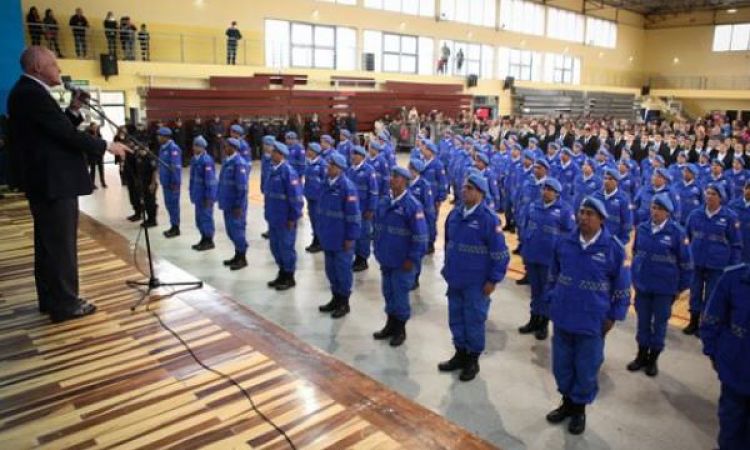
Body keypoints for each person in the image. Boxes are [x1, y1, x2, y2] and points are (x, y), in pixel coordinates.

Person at [7, 47, 129, 323]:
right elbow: (63, 134)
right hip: (53, 182)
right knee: (61, 246)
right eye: (54, 64)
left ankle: (51, 298)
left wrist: (74, 109)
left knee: (49, 245)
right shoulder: (30, 93)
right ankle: (65, 303)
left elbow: (56, 126)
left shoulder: (28, 92)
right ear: (38, 66)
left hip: (48, 182)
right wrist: (107, 145)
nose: (58, 69)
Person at [544, 196, 631, 435]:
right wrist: (551, 298)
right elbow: (553, 273)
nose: (583, 217)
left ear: (601, 219)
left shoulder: (613, 249)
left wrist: (614, 316)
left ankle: (579, 409)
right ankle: (566, 402)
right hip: (563, 315)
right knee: (562, 364)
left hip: (592, 321)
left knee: (586, 367)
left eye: (589, 214)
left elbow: (622, 288)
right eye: (581, 212)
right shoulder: (565, 242)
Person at [438, 173, 509, 382]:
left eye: (469, 188)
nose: (464, 191)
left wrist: (493, 280)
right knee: (456, 317)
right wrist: (447, 268)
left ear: (480, 192)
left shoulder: (488, 219)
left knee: (474, 320)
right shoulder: (455, 215)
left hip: (477, 283)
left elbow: (500, 254)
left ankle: (472, 359)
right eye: (463, 187)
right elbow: (448, 243)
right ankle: (460, 353)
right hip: (456, 278)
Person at [628, 194, 692, 377]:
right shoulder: (642, 228)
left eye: (659, 209)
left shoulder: (677, 233)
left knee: (660, 324)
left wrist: (680, 288)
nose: (654, 212)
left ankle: (653, 359)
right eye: (653, 208)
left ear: (667, 212)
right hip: (643, 286)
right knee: (643, 323)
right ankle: (641, 355)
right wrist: (635, 277)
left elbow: (686, 263)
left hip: (665, 289)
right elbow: (635, 253)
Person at [373, 166, 428, 346]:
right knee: (388, 292)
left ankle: (400, 329)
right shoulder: (384, 202)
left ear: (405, 181)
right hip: (386, 257)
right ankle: (390, 324)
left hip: (402, 261)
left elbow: (420, 237)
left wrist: (412, 259)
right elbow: (378, 228)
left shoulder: (412, 205)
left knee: (400, 295)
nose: (392, 179)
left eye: (396, 177)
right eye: (392, 176)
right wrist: (378, 249)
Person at [700, 262, 750, 450]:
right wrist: (714, 354)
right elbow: (712, 320)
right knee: (730, 423)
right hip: (735, 372)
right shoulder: (733, 278)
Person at [518, 178, 575, 340]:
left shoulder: (564, 210)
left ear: (557, 193)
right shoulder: (534, 206)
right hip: (532, 255)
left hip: (550, 259)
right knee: (535, 291)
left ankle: (543, 322)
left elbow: (570, 233)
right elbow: (525, 225)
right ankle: (533, 318)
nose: (546, 192)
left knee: (547, 292)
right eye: (544, 188)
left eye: (550, 190)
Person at [683, 183, 743, 335]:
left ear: (721, 198)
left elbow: (736, 244)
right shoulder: (695, 214)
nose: (709, 196)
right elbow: (686, 237)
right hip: (696, 262)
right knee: (695, 292)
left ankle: (706, 324)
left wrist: (732, 267)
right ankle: (693, 321)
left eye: (713, 194)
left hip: (718, 264)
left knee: (711, 295)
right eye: (708, 193)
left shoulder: (729, 217)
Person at [317, 152, 361, 319]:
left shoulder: (347, 188)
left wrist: (350, 237)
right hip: (328, 235)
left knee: (342, 271)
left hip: (342, 238)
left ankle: (344, 302)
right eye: (329, 164)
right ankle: (335, 298)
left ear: (339, 168)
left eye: (331, 165)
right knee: (331, 270)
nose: (328, 167)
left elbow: (353, 216)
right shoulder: (325, 184)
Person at [264, 142, 304, 290]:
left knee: (286, 247)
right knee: (275, 247)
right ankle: (281, 272)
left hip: (285, 218)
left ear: (281, 154)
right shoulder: (272, 170)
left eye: (274, 152)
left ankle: (289, 276)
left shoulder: (288, 172)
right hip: (273, 216)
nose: (271, 154)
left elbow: (295, 198)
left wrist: (293, 218)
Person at [218, 138, 249, 270]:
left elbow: (242, 187)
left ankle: (242, 258)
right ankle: (237, 254)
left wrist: (238, 205)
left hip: (236, 205)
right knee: (230, 231)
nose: (224, 148)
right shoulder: (227, 162)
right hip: (227, 202)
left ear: (233, 147)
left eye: (227, 146)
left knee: (237, 231)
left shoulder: (239, 163)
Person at [347, 146, 379, 272]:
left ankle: (362, 258)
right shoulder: (350, 170)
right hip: (352, 209)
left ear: (362, 156)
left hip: (364, 208)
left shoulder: (368, 170)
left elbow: (373, 191)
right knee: (354, 232)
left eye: (356, 154)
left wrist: (371, 208)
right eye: (352, 154)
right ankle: (356, 256)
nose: (353, 156)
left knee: (363, 234)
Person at [189, 136, 217, 251]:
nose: (195, 148)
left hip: (205, 196)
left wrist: (209, 197)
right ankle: (203, 238)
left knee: (206, 218)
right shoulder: (194, 159)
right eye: (194, 145)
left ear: (202, 147)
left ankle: (209, 240)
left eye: (197, 146)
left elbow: (210, 181)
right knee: (199, 218)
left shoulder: (207, 161)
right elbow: (192, 178)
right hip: (198, 194)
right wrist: (191, 192)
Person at [156, 127, 182, 238]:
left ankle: (176, 228)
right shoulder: (163, 148)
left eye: (160, 136)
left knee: (173, 205)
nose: (158, 138)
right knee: (169, 205)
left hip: (172, 184)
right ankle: (173, 225)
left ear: (166, 137)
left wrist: (175, 183)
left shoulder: (173, 149)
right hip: (165, 182)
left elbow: (175, 168)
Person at [303, 142, 327, 253]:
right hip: (310, 195)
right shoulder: (308, 163)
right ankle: (316, 239)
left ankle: (320, 241)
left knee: (318, 220)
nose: (308, 152)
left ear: (315, 152)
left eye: (310, 150)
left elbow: (326, 181)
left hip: (318, 197)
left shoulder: (322, 164)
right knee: (312, 219)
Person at [728, 179, 750, 263]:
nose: (749, 191)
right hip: (734, 246)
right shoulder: (732, 205)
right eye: (748, 187)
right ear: (743, 188)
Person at [86, 122, 106, 189]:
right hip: (92, 155)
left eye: (96, 127)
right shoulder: (88, 134)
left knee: (101, 169)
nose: (95, 128)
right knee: (93, 169)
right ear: (91, 127)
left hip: (99, 154)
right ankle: (92, 184)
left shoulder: (99, 134)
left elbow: (101, 143)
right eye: (94, 127)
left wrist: (102, 152)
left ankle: (103, 182)